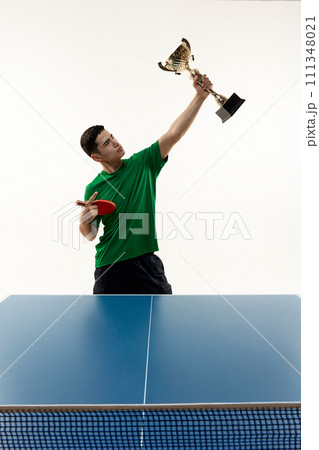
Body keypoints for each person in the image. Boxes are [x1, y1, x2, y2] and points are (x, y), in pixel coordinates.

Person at [77, 74, 213, 294]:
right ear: (96, 157)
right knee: (106, 327)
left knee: (162, 320)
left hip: (145, 263)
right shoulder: (94, 189)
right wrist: (85, 220)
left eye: (113, 137)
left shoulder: (143, 163)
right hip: (109, 266)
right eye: (107, 143)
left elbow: (174, 133)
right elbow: (91, 235)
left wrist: (200, 96)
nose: (116, 143)